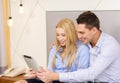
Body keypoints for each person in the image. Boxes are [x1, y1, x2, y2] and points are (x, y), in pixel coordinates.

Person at [37, 11, 120, 83]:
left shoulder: (109, 46)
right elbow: (71, 39)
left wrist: (56, 76)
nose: (79, 36)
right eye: (78, 33)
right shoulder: (87, 41)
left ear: (94, 30)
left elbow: (91, 74)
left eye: (82, 33)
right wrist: (59, 42)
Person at [14, 18, 90, 83]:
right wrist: (39, 74)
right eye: (58, 35)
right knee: (22, 82)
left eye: (63, 35)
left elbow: (81, 77)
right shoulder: (54, 49)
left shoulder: (82, 49)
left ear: (71, 34)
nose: (59, 38)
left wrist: (54, 76)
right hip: (53, 81)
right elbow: (50, 73)